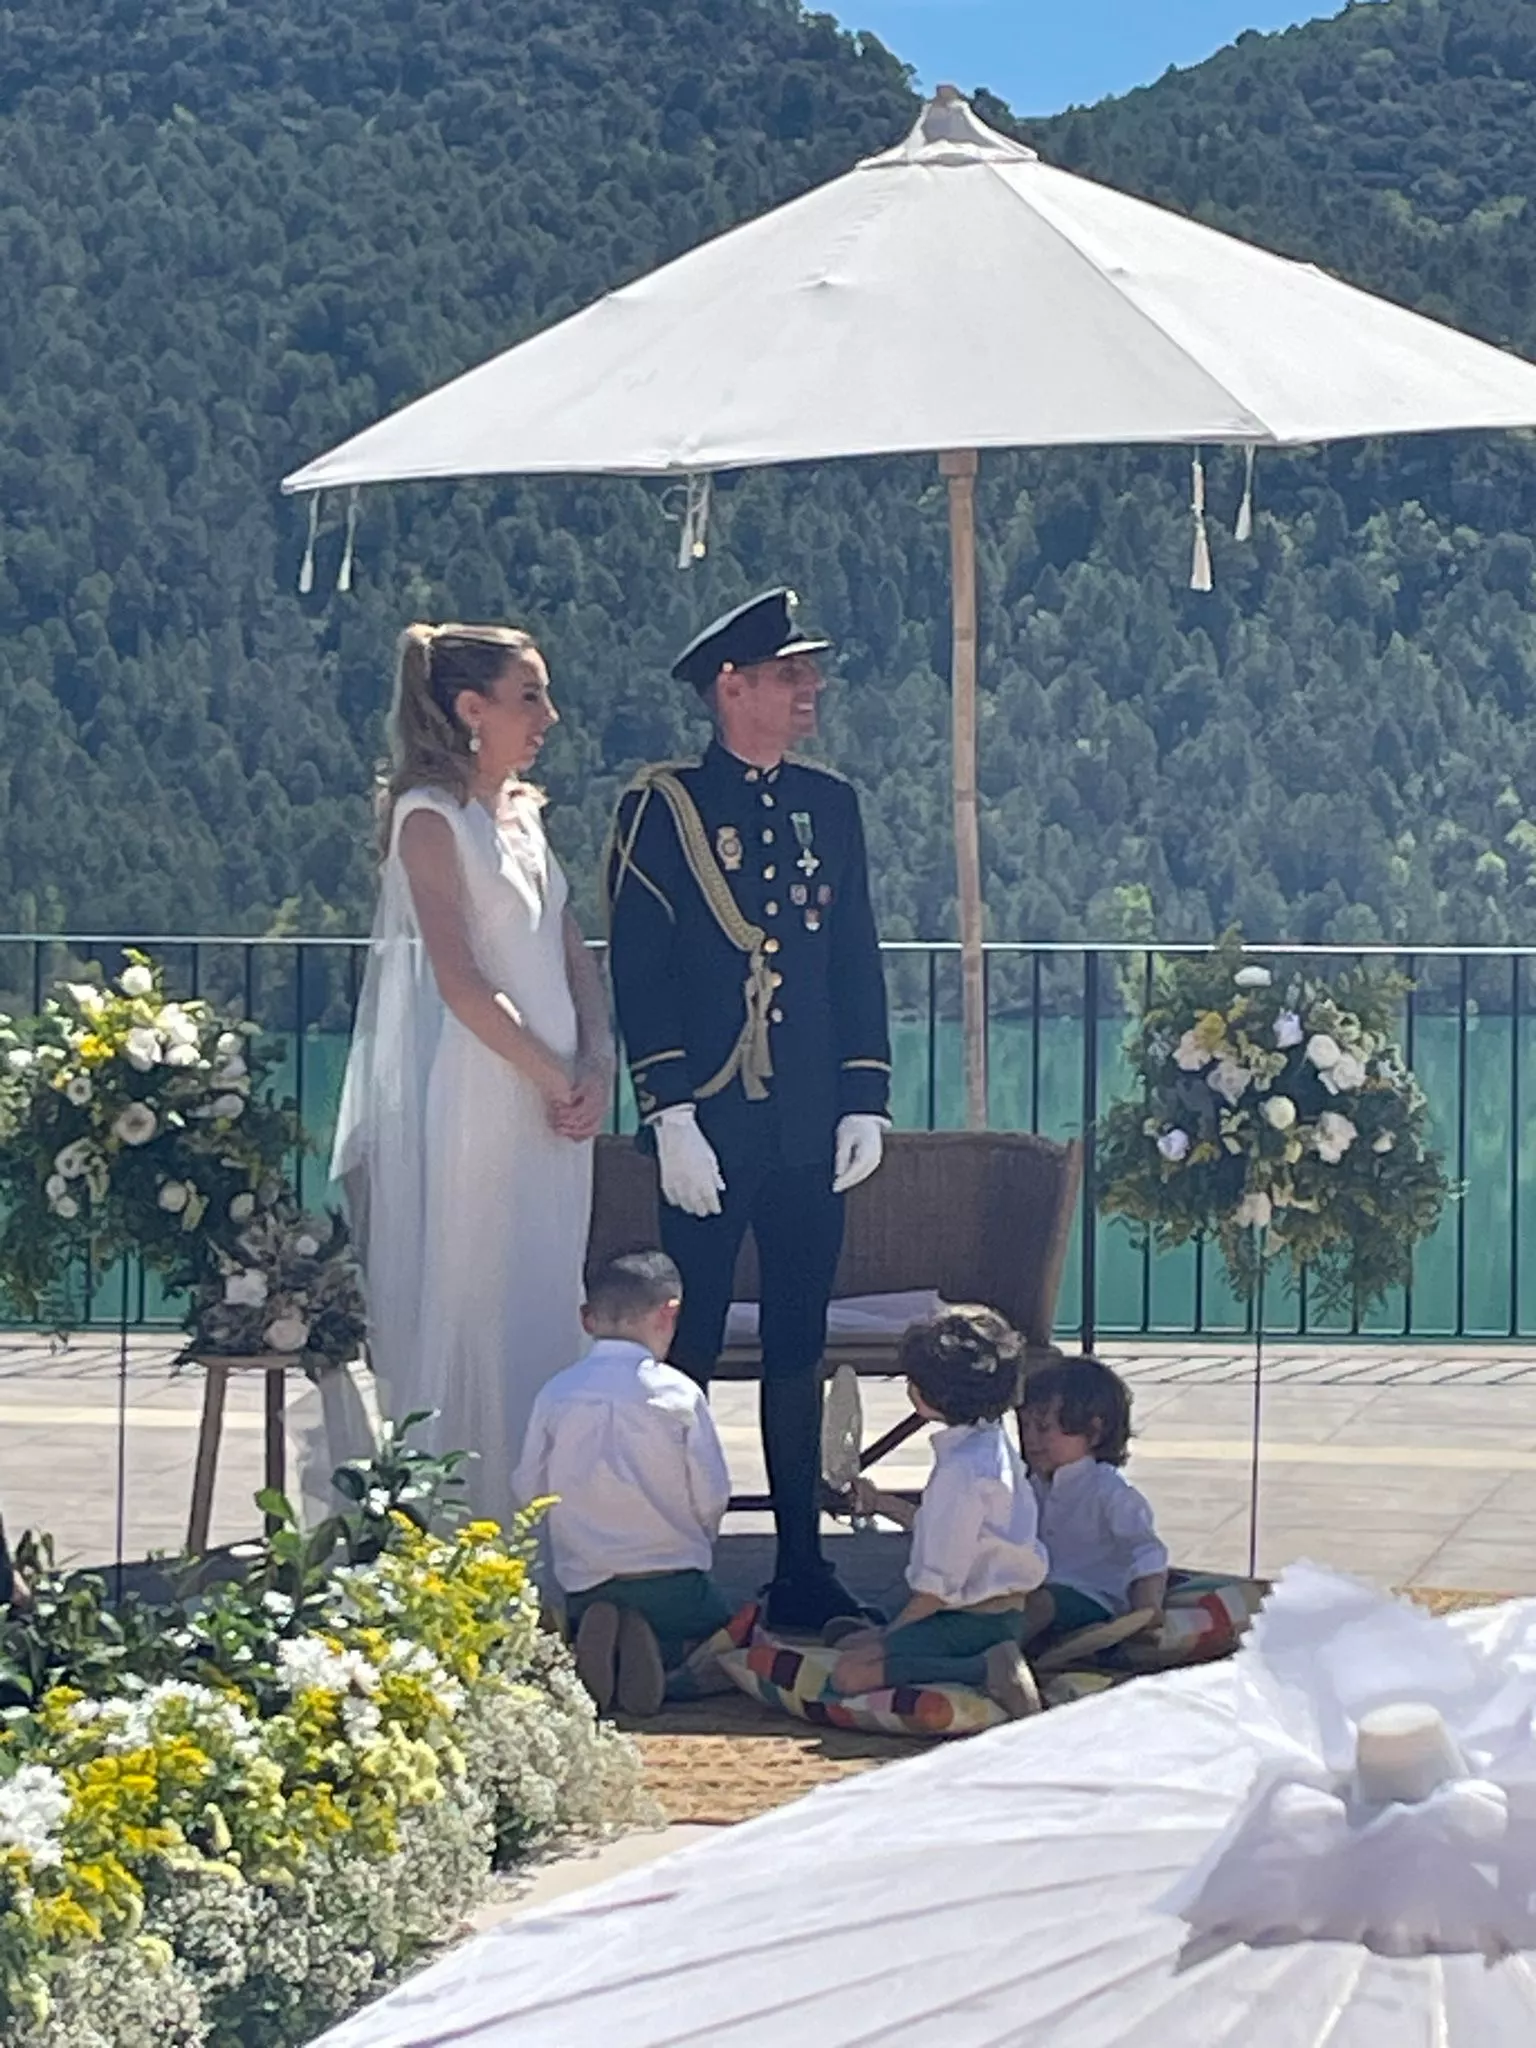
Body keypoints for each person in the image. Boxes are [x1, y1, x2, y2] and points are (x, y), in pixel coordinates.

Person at [604, 587, 892, 1633]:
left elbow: (852, 956)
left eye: (807, 672)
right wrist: (668, 1109)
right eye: (787, 673)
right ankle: (674, 1553)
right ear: (731, 688)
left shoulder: (831, 805)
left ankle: (802, 1564)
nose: (810, 687)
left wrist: (867, 1093)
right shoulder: (663, 807)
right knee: (690, 1343)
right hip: (713, 1124)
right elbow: (644, 969)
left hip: (810, 1120)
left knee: (799, 1344)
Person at [332, 623, 614, 1524]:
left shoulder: (523, 814)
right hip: (488, 1096)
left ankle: (547, 1524)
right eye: (529, 696)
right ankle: (466, 1528)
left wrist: (596, 1061)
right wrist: (548, 1073)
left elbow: (569, 948)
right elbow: (460, 978)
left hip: (556, 1098)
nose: (548, 716)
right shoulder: (430, 818)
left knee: (546, 1296)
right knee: (482, 1300)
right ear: (469, 709)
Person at [513, 1249, 735, 1717]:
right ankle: (666, 1662)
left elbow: (527, 1489)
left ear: (586, 1319)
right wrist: (700, 1536)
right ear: (668, 1313)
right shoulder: (680, 1394)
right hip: (674, 1583)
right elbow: (712, 1493)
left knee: (582, 1608)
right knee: (735, 1644)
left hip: (586, 1582)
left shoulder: (556, 1392)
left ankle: (594, 1648)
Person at [831, 1306, 1047, 1719]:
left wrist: (894, 1633)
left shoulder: (959, 1472)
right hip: (1007, 1612)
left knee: (848, 1673)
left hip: (967, 1620)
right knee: (851, 1642)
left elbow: (937, 1588)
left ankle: (982, 1670)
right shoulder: (993, 1444)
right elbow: (947, 1531)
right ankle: (992, 1659)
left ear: (930, 1396)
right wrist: (879, 1503)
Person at [1018, 1355, 1169, 1643]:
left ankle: (997, 1655)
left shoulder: (1108, 1490)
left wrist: (1147, 1607)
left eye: (1044, 1428)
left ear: (1094, 1430)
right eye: (1025, 1426)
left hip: (1095, 1599)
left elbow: (1147, 1552)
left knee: (1038, 1605)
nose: (1031, 1439)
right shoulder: (1033, 1485)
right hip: (1040, 1589)